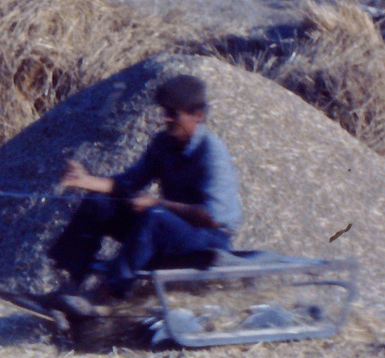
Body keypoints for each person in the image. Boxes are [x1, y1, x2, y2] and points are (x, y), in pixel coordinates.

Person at [46, 73, 241, 305]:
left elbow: (212, 217)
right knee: (98, 203)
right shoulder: (163, 144)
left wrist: (158, 203)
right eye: (165, 112)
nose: (166, 119)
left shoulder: (211, 153)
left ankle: (110, 295)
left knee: (153, 216)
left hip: (208, 239)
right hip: (168, 228)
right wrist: (85, 181)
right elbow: (127, 183)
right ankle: (69, 284)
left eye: (173, 114)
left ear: (197, 116)